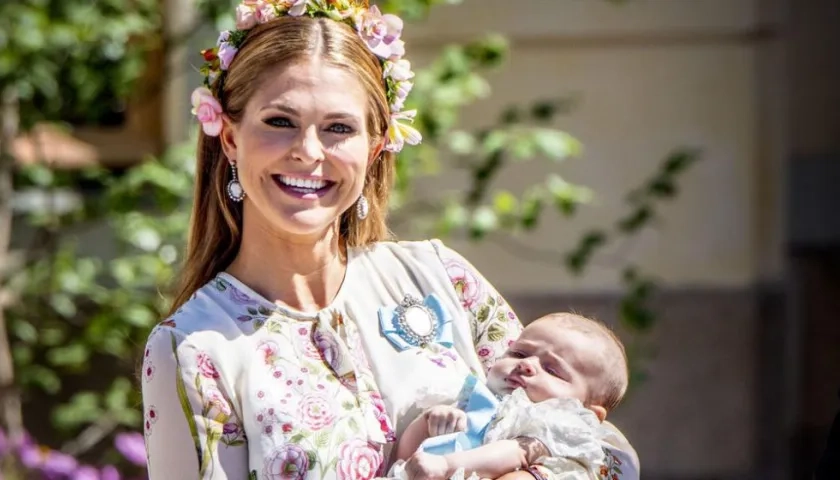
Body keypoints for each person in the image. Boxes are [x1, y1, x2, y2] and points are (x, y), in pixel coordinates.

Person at [140, 1, 640, 479]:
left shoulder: (441, 278)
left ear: (375, 148)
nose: (309, 152)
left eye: (338, 128)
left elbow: (607, 449)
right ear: (229, 137)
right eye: (280, 122)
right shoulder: (192, 348)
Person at [391, 313, 636, 480]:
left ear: (589, 414)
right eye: (519, 353)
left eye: (552, 370)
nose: (527, 365)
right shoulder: (474, 400)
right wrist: (425, 424)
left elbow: (515, 452)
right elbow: (405, 460)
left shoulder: (559, 424)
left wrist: (446, 466)